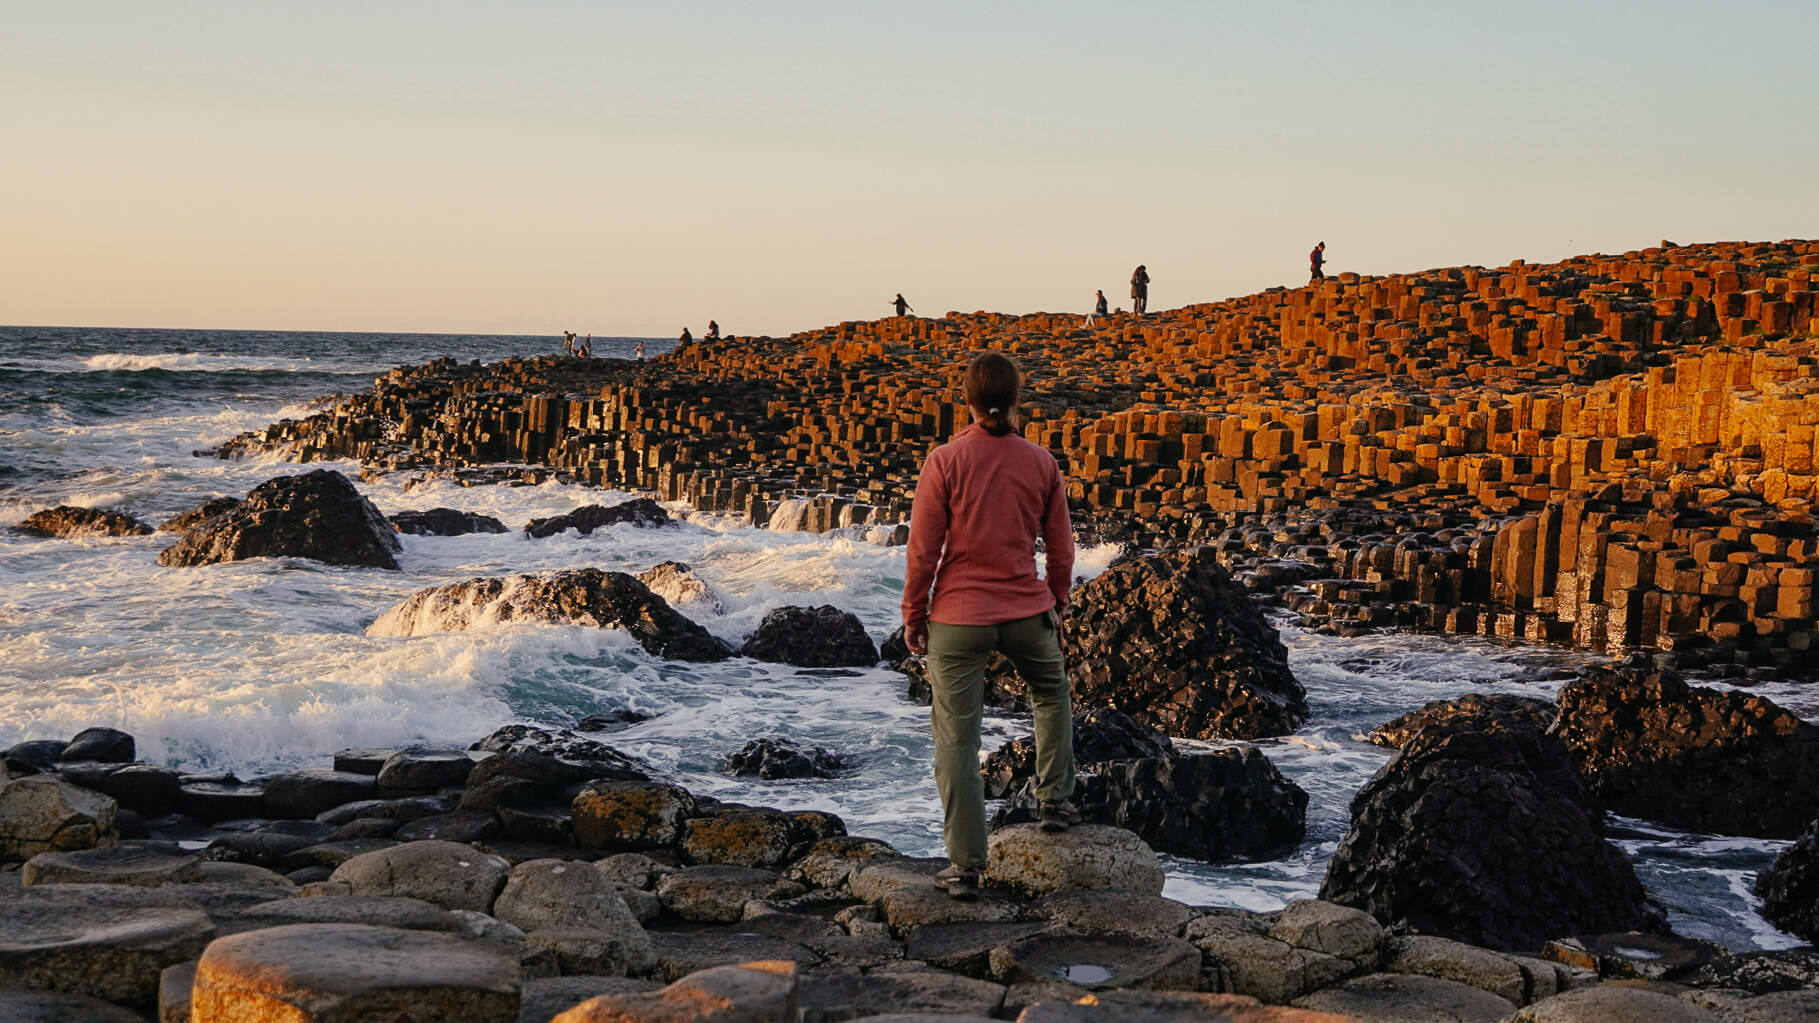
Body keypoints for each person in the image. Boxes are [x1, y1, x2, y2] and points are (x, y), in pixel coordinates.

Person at [901, 352, 1079, 901]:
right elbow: (1062, 547)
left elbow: (923, 551)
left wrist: (913, 614)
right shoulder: (1041, 461)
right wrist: (1055, 597)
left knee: (957, 738)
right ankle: (1055, 802)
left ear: (967, 399)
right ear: (1017, 396)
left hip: (957, 618)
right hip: (1026, 612)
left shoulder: (945, 460)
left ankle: (966, 867)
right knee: (1051, 694)